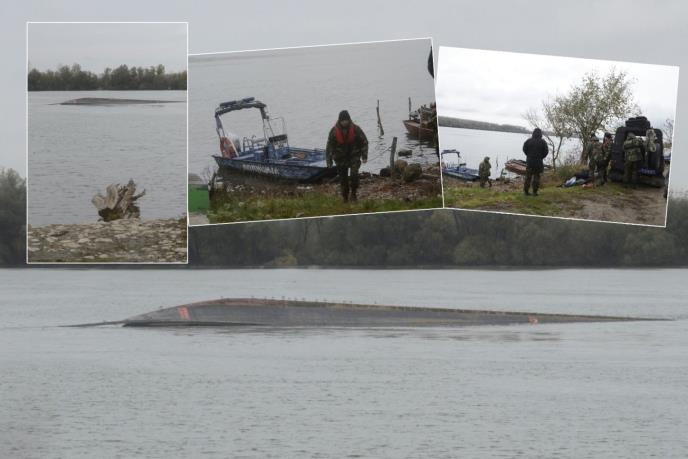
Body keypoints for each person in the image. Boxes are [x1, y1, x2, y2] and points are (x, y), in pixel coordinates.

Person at [326, 110, 368, 202]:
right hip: (340, 158)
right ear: (339, 121)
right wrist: (329, 160)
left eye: (346, 120)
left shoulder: (356, 129)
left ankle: (353, 193)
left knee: (354, 175)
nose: (344, 122)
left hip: (354, 156)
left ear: (349, 120)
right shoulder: (334, 131)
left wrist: (364, 156)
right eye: (342, 120)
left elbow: (364, 142)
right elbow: (329, 147)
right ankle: (345, 197)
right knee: (343, 179)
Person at [522, 128, 549, 196]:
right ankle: (535, 192)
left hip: (530, 162)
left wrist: (528, 155)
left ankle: (526, 192)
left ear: (533, 133)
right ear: (540, 134)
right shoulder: (543, 142)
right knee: (536, 177)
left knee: (528, 177)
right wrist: (541, 157)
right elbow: (546, 152)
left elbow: (524, 149)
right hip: (538, 162)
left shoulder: (528, 141)